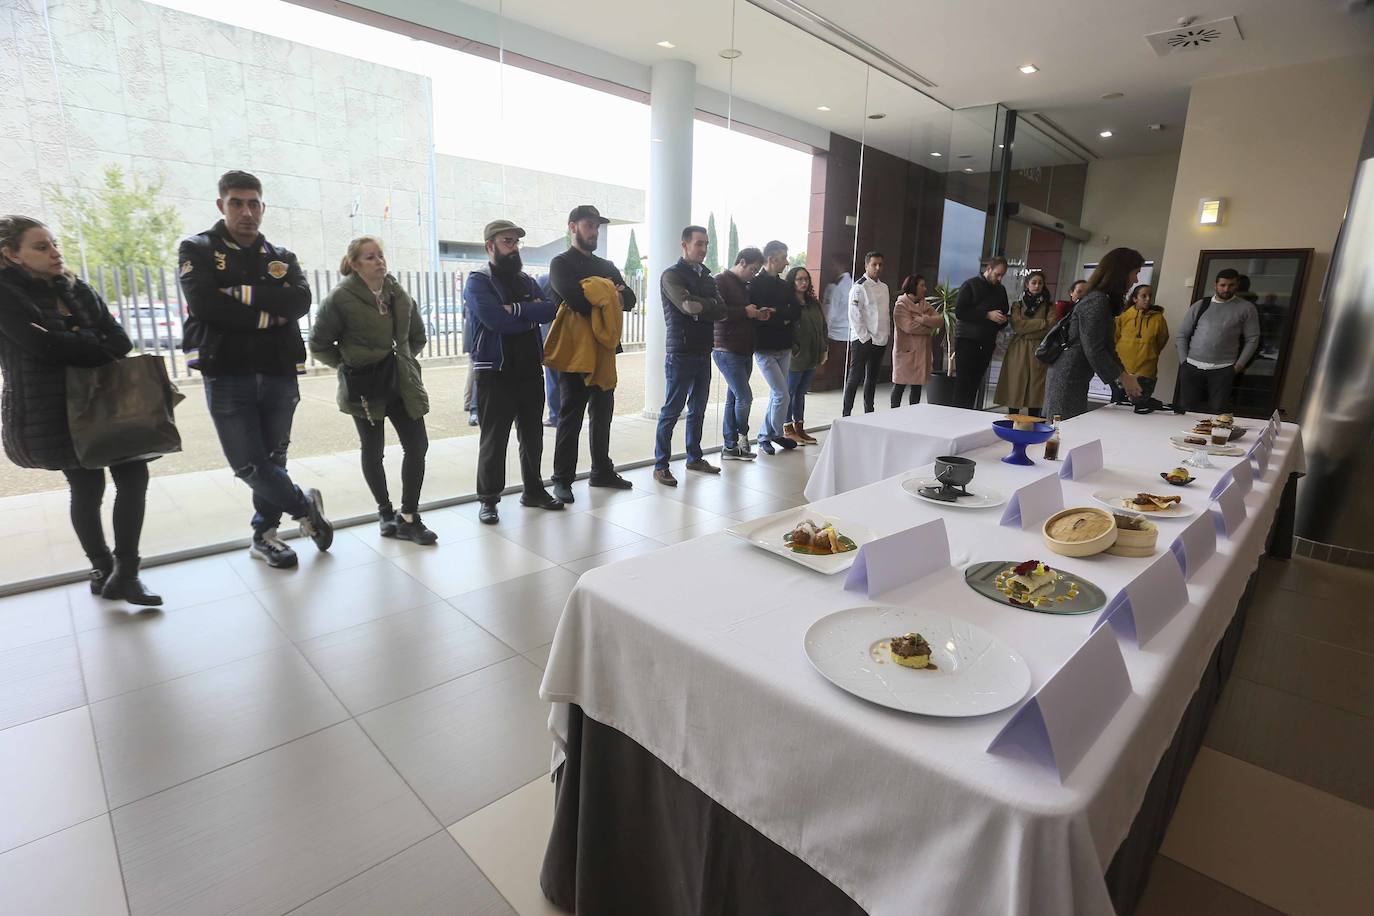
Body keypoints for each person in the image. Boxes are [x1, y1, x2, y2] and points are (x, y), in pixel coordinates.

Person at [0, 215, 160, 605]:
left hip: (106, 402)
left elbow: (120, 340)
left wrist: (74, 339)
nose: (55, 253)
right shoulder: (5, 295)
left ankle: (127, 572)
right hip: (55, 408)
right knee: (87, 487)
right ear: (10, 254)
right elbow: (44, 348)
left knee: (134, 477)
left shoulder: (76, 288)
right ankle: (102, 567)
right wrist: (87, 341)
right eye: (41, 247)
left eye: (54, 244)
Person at [179, 171, 331, 569]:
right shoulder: (197, 249)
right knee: (247, 464)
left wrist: (239, 296)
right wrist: (269, 313)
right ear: (221, 205)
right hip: (227, 371)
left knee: (273, 458)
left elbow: (298, 301)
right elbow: (206, 305)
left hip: (279, 368)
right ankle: (304, 507)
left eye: (253, 203)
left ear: (263, 206)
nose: (246, 212)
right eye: (236, 203)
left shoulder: (282, 256)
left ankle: (265, 535)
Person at [310, 236, 436, 544]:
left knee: (417, 446)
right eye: (370, 257)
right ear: (354, 264)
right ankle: (384, 511)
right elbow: (319, 344)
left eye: (380, 255)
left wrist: (401, 360)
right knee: (373, 449)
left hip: (401, 383)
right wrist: (350, 363)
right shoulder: (340, 298)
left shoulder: (398, 292)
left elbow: (417, 336)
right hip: (364, 386)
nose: (379, 261)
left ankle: (408, 516)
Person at [464, 220, 564, 524]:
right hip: (495, 371)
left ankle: (533, 490)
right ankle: (489, 499)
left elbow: (550, 310)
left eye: (517, 242)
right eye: (508, 241)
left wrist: (517, 309)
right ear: (490, 246)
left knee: (532, 435)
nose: (514, 247)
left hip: (529, 368)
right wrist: (526, 311)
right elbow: (496, 321)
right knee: (494, 439)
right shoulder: (478, 281)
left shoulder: (524, 279)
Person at [548, 205, 636, 501]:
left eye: (597, 226)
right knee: (570, 416)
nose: (594, 231)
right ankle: (562, 479)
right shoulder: (560, 264)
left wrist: (601, 291)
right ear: (572, 227)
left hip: (605, 351)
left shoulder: (607, 265)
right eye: (589, 225)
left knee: (603, 415)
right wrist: (611, 291)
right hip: (574, 355)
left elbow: (631, 299)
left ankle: (601, 471)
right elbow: (575, 300)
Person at [652, 226, 728, 486]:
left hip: (703, 350)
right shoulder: (671, 275)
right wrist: (705, 305)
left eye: (706, 244)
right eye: (699, 244)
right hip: (680, 352)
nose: (704, 249)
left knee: (698, 409)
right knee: (672, 411)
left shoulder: (707, 277)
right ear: (684, 245)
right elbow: (687, 306)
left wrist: (701, 307)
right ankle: (661, 465)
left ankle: (694, 457)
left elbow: (723, 311)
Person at [1043, 247, 1146, 420]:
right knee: (1060, 431)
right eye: (1135, 273)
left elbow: (1107, 347)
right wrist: (1123, 377)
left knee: (1067, 428)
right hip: (1068, 377)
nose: (1136, 280)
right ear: (1121, 273)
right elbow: (1094, 349)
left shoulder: (1099, 299)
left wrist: (1124, 377)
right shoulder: (1096, 301)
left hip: (1074, 376)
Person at [1174, 268, 1261, 414]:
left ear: (1237, 285)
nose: (1226, 289)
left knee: (1217, 413)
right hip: (1192, 367)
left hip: (1223, 369)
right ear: (1216, 285)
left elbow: (1252, 339)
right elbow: (1182, 334)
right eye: (1223, 285)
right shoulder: (1200, 305)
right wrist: (1184, 362)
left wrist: (1238, 366)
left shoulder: (1246, 308)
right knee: (1187, 411)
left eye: (1231, 285)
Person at [713, 247, 766, 461]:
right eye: (753, 269)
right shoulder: (720, 281)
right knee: (745, 397)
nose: (753, 274)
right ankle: (742, 436)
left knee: (734, 398)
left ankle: (730, 446)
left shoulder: (745, 285)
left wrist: (755, 314)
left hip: (744, 347)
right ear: (742, 262)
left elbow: (742, 312)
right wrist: (746, 311)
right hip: (726, 348)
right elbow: (719, 312)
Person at [750, 240, 800, 455]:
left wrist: (776, 313)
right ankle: (771, 434)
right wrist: (782, 315)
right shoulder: (755, 284)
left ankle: (766, 436)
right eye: (783, 257)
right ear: (771, 258)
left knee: (777, 394)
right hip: (765, 348)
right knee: (782, 394)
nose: (787, 262)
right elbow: (759, 317)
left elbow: (796, 311)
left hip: (784, 346)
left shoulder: (784, 285)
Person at [994, 270, 1054, 417]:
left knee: (1036, 387)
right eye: (1034, 282)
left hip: (1039, 349)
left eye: (1040, 283)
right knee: (1015, 383)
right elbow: (1017, 326)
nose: (1037, 285)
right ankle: (1012, 418)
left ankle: (1034, 421)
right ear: (1027, 284)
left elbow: (1051, 327)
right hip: (1018, 349)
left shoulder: (1049, 306)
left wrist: (1030, 327)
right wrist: (1041, 322)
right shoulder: (1018, 305)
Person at [952, 256, 1010, 409]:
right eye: (997, 274)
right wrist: (987, 315)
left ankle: (969, 416)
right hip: (967, 340)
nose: (999, 278)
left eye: (1002, 275)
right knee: (963, 384)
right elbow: (960, 312)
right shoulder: (970, 285)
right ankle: (956, 419)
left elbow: (1004, 312)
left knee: (975, 384)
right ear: (988, 269)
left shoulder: (1000, 289)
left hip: (987, 341)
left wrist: (1003, 320)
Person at [843, 251, 890, 416]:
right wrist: (865, 338)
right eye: (874, 264)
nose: (878, 268)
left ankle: (869, 412)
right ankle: (846, 414)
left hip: (880, 339)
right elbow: (854, 315)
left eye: (880, 264)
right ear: (866, 265)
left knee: (872, 378)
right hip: (862, 339)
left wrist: (884, 336)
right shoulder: (859, 287)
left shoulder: (884, 287)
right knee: (855, 377)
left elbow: (884, 315)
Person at [784, 265, 826, 444]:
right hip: (796, 356)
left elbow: (823, 326)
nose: (803, 282)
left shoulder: (812, 302)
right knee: (789, 392)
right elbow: (786, 328)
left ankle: (800, 427)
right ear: (792, 282)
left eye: (806, 279)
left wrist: (825, 347)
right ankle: (787, 428)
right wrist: (794, 348)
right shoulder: (788, 302)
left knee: (801, 393)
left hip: (813, 354)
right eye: (799, 279)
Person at [1112, 284, 1169, 407]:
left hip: (1146, 371)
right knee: (1118, 408)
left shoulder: (1158, 319)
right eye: (1144, 296)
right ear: (1134, 299)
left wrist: (1150, 351)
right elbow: (1114, 339)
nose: (1148, 299)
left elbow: (1162, 340)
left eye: (1150, 296)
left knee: (1140, 408)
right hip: (1123, 371)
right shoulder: (1124, 316)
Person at [890, 274, 941, 408]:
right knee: (899, 385)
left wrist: (924, 320)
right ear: (913, 286)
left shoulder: (925, 304)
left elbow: (939, 320)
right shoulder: (900, 306)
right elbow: (909, 327)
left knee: (917, 387)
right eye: (922, 285)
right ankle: (892, 415)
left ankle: (913, 415)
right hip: (906, 352)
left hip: (921, 353)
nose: (925, 288)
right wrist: (929, 328)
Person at [536, 272, 560, 427]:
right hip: (569, 334)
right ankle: (563, 413)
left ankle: (555, 416)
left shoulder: (543, 280)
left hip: (549, 334)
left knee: (552, 379)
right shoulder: (575, 280)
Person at [824, 251, 853, 351]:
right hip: (849, 336)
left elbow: (830, 314)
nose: (829, 268)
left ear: (839, 265)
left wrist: (823, 335)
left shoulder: (835, 286)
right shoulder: (853, 284)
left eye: (831, 264)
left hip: (835, 336)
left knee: (833, 366)